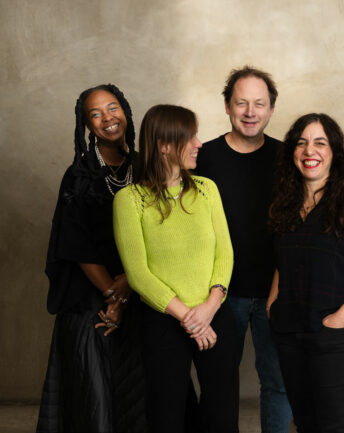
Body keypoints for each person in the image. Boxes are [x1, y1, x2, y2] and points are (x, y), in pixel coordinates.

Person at [113, 104, 238, 433]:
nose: (199, 143)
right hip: (164, 322)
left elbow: (224, 253)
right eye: (190, 137)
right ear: (164, 145)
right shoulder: (130, 200)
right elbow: (138, 275)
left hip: (214, 314)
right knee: (167, 418)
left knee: (223, 418)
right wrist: (190, 319)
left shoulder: (207, 189)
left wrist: (210, 306)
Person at [267, 113, 344, 433]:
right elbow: (281, 261)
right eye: (302, 143)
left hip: (334, 337)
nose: (310, 151)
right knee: (305, 424)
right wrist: (272, 305)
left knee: (335, 426)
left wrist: (340, 318)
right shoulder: (285, 203)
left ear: (334, 152)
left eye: (320, 143)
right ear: (293, 151)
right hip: (289, 332)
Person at [37, 84, 146, 432]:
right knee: (94, 378)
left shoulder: (145, 167)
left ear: (125, 111)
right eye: (95, 114)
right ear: (86, 124)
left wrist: (129, 285)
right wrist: (113, 296)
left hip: (141, 284)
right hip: (91, 291)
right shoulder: (78, 175)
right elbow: (76, 244)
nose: (107, 118)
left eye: (113, 108)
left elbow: (160, 235)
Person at [196, 66, 292, 432]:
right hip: (219, 294)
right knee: (218, 386)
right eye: (241, 103)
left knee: (278, 384)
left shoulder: (288, 158)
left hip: (275, 291)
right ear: (226, 106)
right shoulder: (203, 157)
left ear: (271, 109)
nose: (250, 112)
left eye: (259, 104)